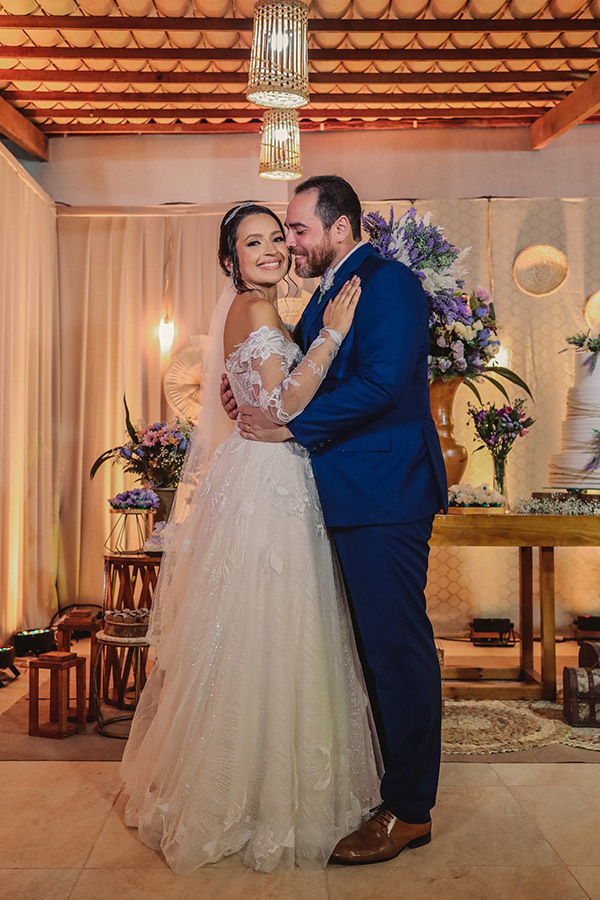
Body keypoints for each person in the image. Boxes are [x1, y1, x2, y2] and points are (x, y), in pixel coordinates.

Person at [120, 203, 382, 875]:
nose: (270, 249)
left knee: (271, 627)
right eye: (253, 242)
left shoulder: (262, 312)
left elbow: (257, 396)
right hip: (267, 483)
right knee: (271, 625)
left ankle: (269, 788)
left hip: (265, 474)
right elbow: (282, 406)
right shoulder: (258, 311)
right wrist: (333, 334)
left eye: (276, 238)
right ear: (231, 259)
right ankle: (256, 800)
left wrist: (297, 358)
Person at [221, 176, 448, 864]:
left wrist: (289, 428)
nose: (290, 244)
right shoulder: (326, 293)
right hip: (341, 497)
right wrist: (255, 402)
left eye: (296, 230)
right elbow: (296, 371)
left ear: (339, 229)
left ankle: (409, 811)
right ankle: (389, 790)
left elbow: (381, 383)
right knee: (369, 656)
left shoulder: (389, 284)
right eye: (277, 234)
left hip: (384, 495)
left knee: (397, 653)